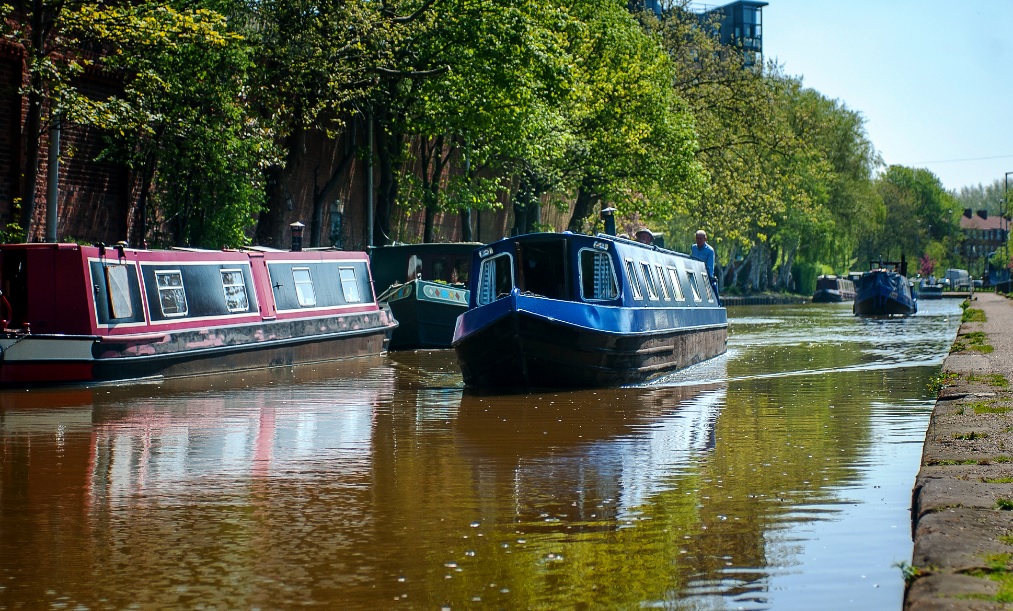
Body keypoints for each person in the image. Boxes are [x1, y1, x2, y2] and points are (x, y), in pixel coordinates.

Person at [691, 229, 720, 304]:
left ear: (705, 239)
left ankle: (718, 302)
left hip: (705, 274)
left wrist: (709, 276)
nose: (698, 241)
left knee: (713, 284)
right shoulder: (693, 248)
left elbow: (710, 266)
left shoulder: (710, 251)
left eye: (700, 239)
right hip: (694, 273)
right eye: (697, 239)